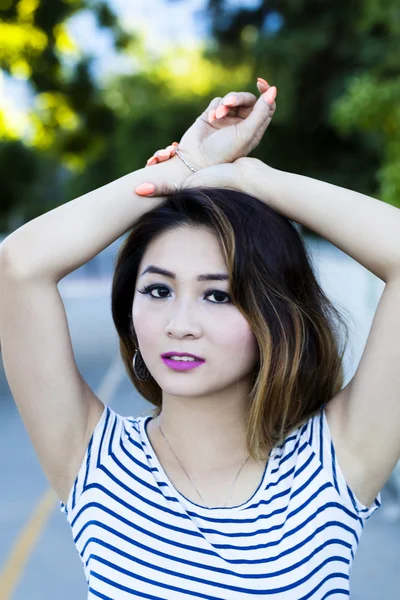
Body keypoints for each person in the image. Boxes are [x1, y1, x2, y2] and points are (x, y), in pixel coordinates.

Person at [1, 77, 399, 599]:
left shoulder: (335, 463)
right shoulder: (94, 462)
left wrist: (256, 180)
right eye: (159, 290)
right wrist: (182, 168)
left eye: (218, 296)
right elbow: (18, 264)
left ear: (273, 313)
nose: (179, 323)